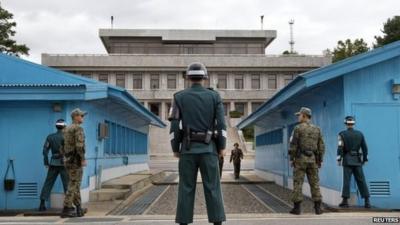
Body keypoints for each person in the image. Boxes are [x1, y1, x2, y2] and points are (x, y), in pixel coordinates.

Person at [169, 62, 226, 225]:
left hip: (187, 149)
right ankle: (217, 222)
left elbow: (174, 126)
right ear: (204, 77)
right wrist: (221, 146)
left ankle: (184, 222)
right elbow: (221, 124)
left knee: (186, 188)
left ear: (188, 77)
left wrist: (175, 148)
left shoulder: (179, 97)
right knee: (213, 187)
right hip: (209, 149)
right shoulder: (214, 96)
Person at [288, 107, 325, 215]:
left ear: (304, 116)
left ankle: (297, 208)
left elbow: (293, 145)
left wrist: (292, 158)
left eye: (299, 115)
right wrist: (319, 160)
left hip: (300, 160)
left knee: (298, 183)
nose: (298, 117)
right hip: (313, 159)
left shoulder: (297, 128)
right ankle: (318, 208)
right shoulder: (317, 129)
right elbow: (321, 146)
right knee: (315, 183)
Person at [337, 116, 371, 208]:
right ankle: (367, 201)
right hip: (357, 160)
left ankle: (345, 201)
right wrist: (365, 159)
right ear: (353, 123)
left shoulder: (342, 134)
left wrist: (339, 159)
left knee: (346, 180)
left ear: (345, 123)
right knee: (361, 180)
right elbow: (365, 148)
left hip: (347, 160)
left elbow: (340, 148)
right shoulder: (360, 134)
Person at [60, 108, 87, 218]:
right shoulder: (78, 128)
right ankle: (66, 208)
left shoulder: (66, 129)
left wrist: (65, 157)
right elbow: (79, 146)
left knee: (75, 183)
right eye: (81, 115)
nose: (82, 117)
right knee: (73, 184)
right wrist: (82, 158)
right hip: (75, 160)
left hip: (68, 159)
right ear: (75, 117)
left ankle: (78, 207)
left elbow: (62, 146)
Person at [38, 119, 69, 211]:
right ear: (64, 126)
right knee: (67, 184)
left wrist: (46, 162)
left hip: (53, 163)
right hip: (64, 163)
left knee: (48, 183)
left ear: (56, 126)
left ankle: (42, 204)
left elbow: (45, 151)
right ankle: (68, 205)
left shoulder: (50, 137)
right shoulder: (67, 137)